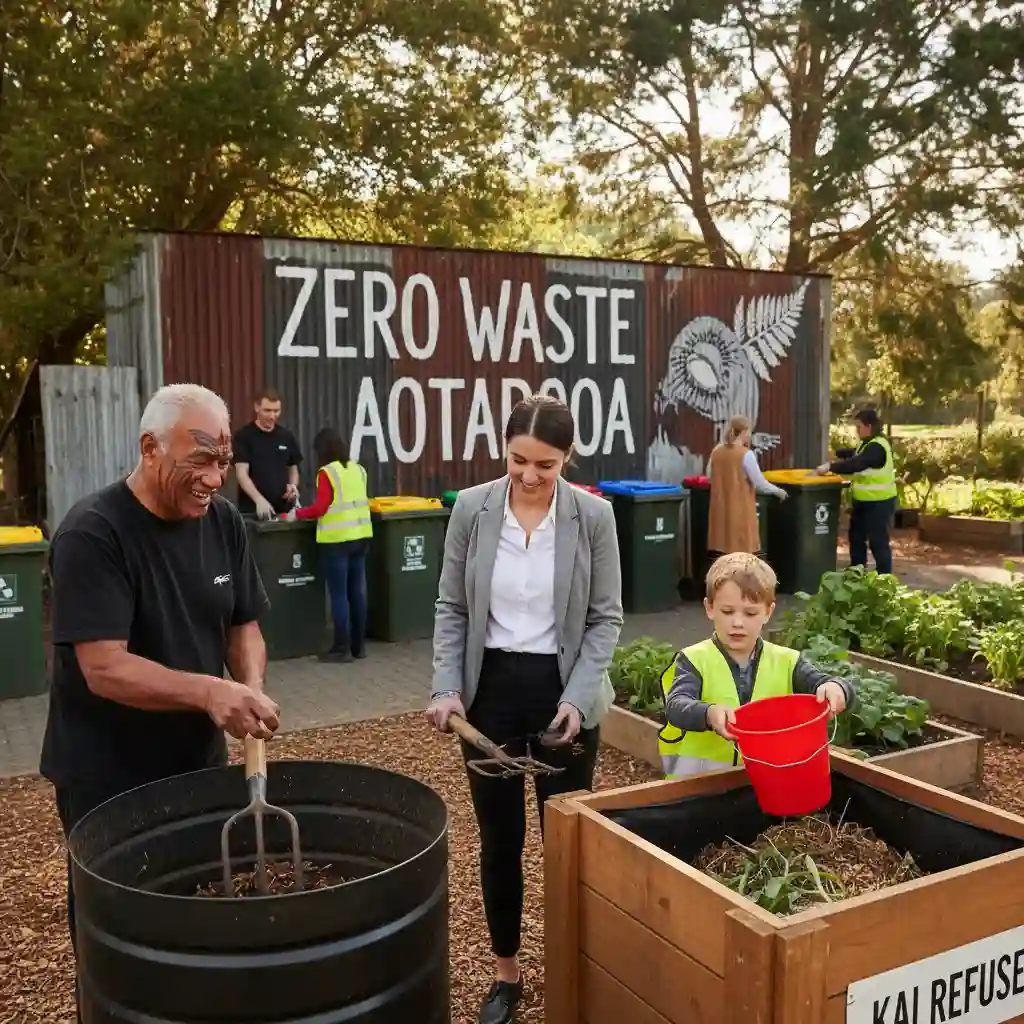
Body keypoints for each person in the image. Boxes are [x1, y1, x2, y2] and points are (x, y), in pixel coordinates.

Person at [39, 383, 281, 1014]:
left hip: (195, 764)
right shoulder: (92, 534)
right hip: (107, 774)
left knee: (192, 916)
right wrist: (208, 692)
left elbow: (243, 625)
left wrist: (248, 689)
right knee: (117, 933)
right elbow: (104, 667)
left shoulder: (223, 522)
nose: (215, 477)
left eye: (224, 461)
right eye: (200, 460)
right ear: (150, 449)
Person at [427, 393, 623, 1024]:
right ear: (503, 449)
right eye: (519, 460)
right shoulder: (473, 510)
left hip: (564, 689)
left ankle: (575, 963)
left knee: (566, 842)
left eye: (546, 463)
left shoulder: (594, 517)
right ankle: (506, 974)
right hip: (489, 694)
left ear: (568, 457)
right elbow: (452, 608)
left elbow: (604, 618)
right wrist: (445, 686)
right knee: (500, 840)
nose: (531, 476)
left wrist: (578, 698)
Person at [659, 552, 854, 779]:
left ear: (768, 612)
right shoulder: (693, 660)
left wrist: (837, 688)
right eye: (727, 611)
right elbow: (676, 706)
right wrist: (709, 714)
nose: (738, 622)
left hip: (767, 785)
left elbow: (824, 683)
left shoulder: (787, 661)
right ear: (709, 607)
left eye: (750, 613)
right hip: (700, 789)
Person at [283, 428, 372, 663]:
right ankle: (358, 646)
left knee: (339, 595)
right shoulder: (358, 470)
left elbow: (321, 508)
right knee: (356, 592)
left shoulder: (327, 473)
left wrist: (296, 514)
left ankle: (341, 649)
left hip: (337, 541)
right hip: (361, 537)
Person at [816, 407, 897, 575]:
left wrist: (830, 467)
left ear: (868, 426)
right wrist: (840, 453)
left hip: (879, 503)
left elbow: (858, 464)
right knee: (856, 538)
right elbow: (856, 454)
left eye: (858, 427)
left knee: (878, 542)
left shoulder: (877, 447)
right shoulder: (867, 444)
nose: (857, 431)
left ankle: (885, 578)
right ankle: (856, 572)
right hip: (863, 502)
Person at [706, 414, 787, 556]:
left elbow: (709, 477)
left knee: (722, 554)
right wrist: (778, 491)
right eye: (749, 432)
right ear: (744, 432)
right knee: (741, 552)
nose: (750, 435)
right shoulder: (746, 454)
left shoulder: (716, 451)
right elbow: (760, 483)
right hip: (739, 512)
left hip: (719, 512)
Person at [232, 387, 303, 519]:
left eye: (276, 411)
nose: (272, 416)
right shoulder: (244, 436)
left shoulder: (286, 436)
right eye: (267, 410)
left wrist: (293, 486)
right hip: (254, 511)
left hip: (283, 512)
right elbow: (241, 474)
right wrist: (259, 500)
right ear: (256, 407)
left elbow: (294, 468)